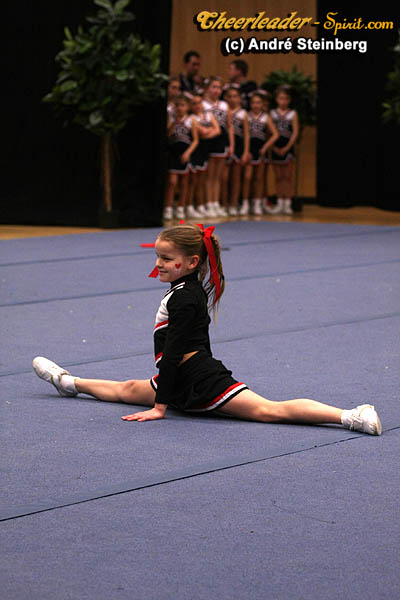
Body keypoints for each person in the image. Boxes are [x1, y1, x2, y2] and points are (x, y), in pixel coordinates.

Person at [32, 223, 382, 436]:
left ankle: (351, 416)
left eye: (166, 259)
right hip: (183, 378)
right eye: (157, 256)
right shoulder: (185, 289)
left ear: (191, 262)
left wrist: (160, 405)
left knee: (268, 411)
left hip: (199, 379)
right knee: (126, 389)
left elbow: (174, 352)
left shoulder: (185, 298)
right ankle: (68, 382)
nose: (158, 264)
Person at [242, 92, 278, 216]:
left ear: (262, 104)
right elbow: (246, 135)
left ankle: (257, 204)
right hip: (250, 149)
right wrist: (246, 151)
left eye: (258, 103)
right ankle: (245, 204)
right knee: (247, 178)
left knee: (259, 178)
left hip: (261, 150)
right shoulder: (247, 116)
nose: (255, 105)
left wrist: (265, 147)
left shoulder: (266, 117)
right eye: (253, 103)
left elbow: (275, 134)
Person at [164, 96, 199, 221]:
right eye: (177, 105)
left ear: (188, 107)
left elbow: (195, 140)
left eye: (183, 105)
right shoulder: (171, 119)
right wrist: (175, 123)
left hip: (185, 154)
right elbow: (168, 135)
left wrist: (188, 153)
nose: (180, 108)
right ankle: (168, 208)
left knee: (184, 183)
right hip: (173, 153)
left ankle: (180, 207)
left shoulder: (191, 120)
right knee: (172, 182)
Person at [203, 77, 234, 217]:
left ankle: (216, 203)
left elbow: (230, 126)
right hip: (208, 141)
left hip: (222, 142)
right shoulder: (203, 104)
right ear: (207, 88)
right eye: (214, 87)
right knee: (209, 175)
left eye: (219, 87)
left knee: (218, 176)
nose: (217, 90)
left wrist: (231, 144)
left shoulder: (224, 105)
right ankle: (208, 203)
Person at [187, 93, 221, 219]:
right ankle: (190, 206)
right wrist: (209, 130)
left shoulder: (208, 115)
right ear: (191, 106)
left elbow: (218, 130)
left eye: (199, 103)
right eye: (194, 103)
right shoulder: (191, 118)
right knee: (193, 180)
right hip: (195, 150)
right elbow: (200, 132)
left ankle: (201, 206)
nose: (197, 106)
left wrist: (208, 132)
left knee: (202, 180)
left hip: (206, 150)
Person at [270, 85, 299, 216]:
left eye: (286, 99)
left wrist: (287, 147)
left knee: (287, 177)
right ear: (276, 99)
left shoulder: (292, 114)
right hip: (275, 146)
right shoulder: (272, 113)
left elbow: (295, 132)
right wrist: (273, 147)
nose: (283, 101)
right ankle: (279, 202)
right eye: (281, 98)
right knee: (278, 177)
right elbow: (269, 132)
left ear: (289, 100)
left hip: (288, 147)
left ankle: (287, 203)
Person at [223, 87, 250, 216]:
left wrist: (245, 152)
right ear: (226, 98)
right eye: (230, 96)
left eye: (235, 96)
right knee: (224, 178)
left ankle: (233, 204)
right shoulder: (224, 110)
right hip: (226, 145)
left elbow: (246, 134)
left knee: (236, 178)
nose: (232, 99)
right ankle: (223, 204)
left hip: (239, 147)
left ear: (239, 99)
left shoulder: (243, 113)